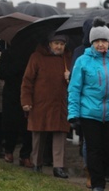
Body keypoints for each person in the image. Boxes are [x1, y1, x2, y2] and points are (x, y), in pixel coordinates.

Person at [67, 19, 109, 191]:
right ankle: (98, 183)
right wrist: (73, 114)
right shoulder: (82, 61)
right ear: (92, 42)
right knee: (94, 149)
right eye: (97, 41)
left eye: (104, 41)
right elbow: (74, 89)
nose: (101, 44)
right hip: (90, 113)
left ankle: (103, 173)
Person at [20, 32, 72, 178]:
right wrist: (26, 101)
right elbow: (27, 81)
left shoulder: (67, 59)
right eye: (56, 43)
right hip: (39, 103)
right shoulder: (36, 57)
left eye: (62, 44)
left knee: (60, 135)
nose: (59, 46)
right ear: (49, 44)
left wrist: (70, 76)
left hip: (60, 103)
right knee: (38, 135)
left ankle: (58, 167)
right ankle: (37, 163)